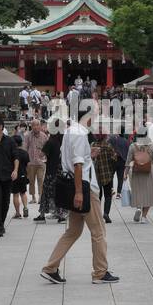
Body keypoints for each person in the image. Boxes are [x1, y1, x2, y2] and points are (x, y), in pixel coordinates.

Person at [41, 116, 118, 285]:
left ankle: (50, 268)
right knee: (98, 231)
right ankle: (100, 272)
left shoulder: (70, 131)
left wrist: (89, 155)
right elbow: (77, 164)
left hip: (76, 187)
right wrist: (79, 193)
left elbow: (71, 159)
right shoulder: (79, 134)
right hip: (84, 188)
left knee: (73, 231)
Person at [126, 135, 153, 223]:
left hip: (136, 170)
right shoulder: (152, 146)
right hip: (149, 170)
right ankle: (144, 217)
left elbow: (128, 160)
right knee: (149, 193)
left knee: (138, 192)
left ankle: (138, 208)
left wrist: (125, 173)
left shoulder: (133, 146)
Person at [36, 128, 65, 223]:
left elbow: (41, 155)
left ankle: (42, 215)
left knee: (46, 193)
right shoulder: (62, 142)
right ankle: (61, 215)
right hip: (60, 171)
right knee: (59, 193)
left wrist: (42, 150)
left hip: (51, 171)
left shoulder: (50, 142)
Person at [91, 133, 120, 223]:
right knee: (108, 196)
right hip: (107, 174)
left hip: (96, 175)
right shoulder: (108, 146)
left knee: (98, 196)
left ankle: (98, 215)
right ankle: (106, 213)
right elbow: (115, 158)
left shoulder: (93, 145)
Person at [25, 118, 47, 204]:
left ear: (40, 126)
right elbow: (25, 148)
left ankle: (40, 197)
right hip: (31, 162)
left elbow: (47, 148)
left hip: (41, 162)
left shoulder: (44, 136)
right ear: (31, 126)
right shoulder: (28, 136)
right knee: (31, 180)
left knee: (40, 179)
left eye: (37, 125)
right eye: (33, 125)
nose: (35, 127)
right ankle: (33, 197)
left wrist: (44, 155)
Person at [107, 130, 130, 207]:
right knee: (120, 177)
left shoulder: (112, 139)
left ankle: (111, 189)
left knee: (111, 175)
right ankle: (119, 193)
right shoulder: (126, 141)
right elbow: (128, 152)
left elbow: (108, 146)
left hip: (113, 160)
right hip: (122, 161)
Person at [10, 133, 31, 218]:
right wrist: (28, 175)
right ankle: (25, 207)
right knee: (23, 193)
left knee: (15, 194)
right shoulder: (25, 153)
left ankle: (18, 213)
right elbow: (28, 165)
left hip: (14, 176)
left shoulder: (12, 153)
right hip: (23, 175)